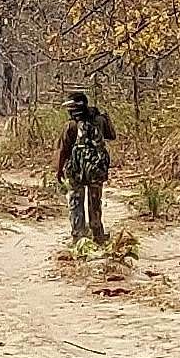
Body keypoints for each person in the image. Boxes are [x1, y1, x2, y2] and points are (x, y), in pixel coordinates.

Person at [57, 90, 116, 244]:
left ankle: (78, 236)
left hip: (76, 171)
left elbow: (63, 151)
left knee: (76, 201)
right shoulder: (99, 121)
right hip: (96, 171)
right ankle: (98, 235)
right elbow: (111, 135)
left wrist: (59, 171)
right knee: (95, 201)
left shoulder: (71, 125)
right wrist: (103, 118)